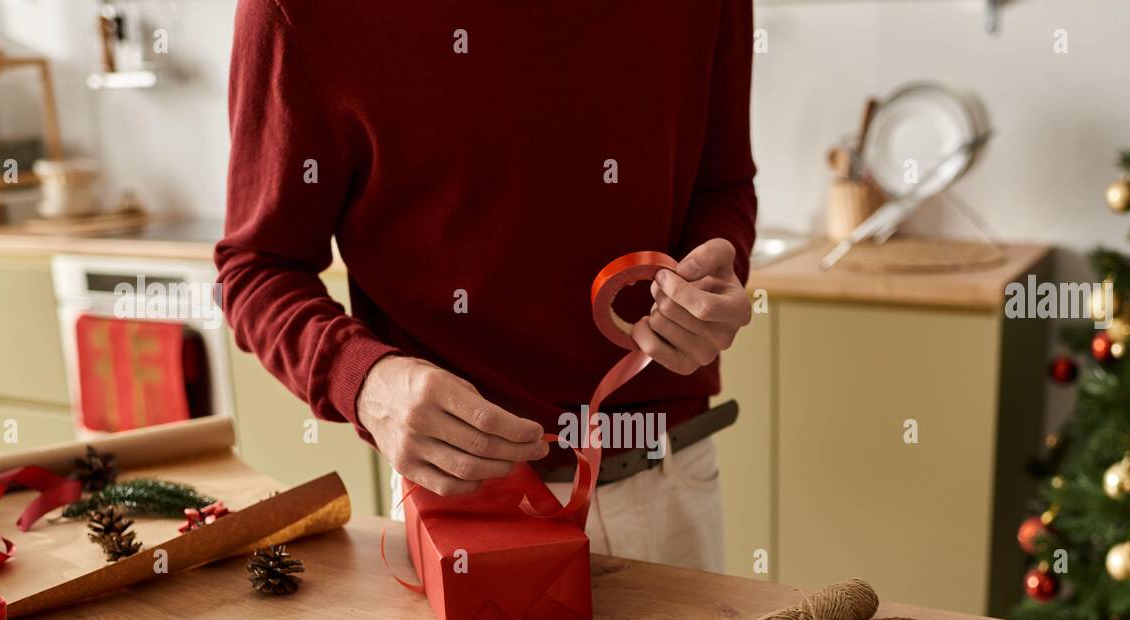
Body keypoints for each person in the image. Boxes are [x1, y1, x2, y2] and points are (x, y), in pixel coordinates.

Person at [215, 1, 757, 572]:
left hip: (672, 476)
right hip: (462, 507)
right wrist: (367, 382)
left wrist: (715, 271)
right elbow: (255, 267)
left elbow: (723, 184)